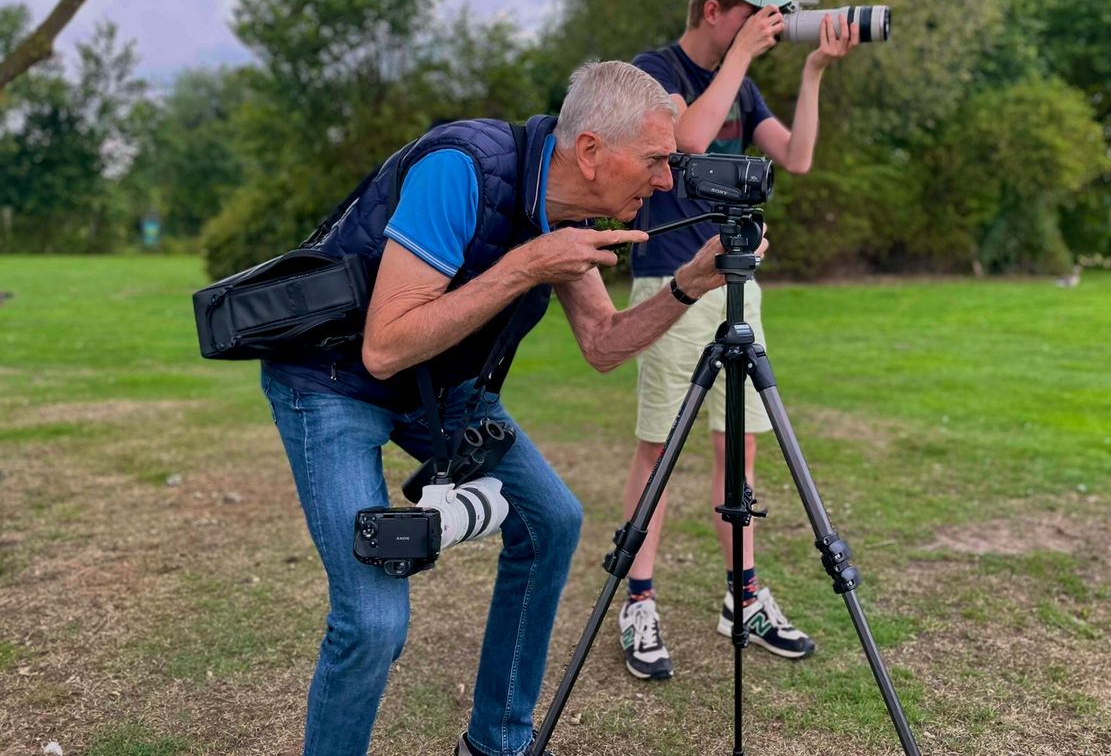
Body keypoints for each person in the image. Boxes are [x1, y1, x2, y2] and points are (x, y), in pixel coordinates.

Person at [260, 61, 747, 756]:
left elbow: (605, 344)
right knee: (372, 622)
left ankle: (497, 743)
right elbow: (384, 346)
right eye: (656, 161)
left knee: (553, 521)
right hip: (333, 380)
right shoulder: (461, 169)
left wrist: (689, 284)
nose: (667, 180)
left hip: (440, 388)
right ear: (590, 152)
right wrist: (528, 264)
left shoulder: (566, 212)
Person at [617, 0, 856, 680]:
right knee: (659, 446)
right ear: (714, 9)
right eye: (753, 15)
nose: (764, 28)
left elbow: (800, 156)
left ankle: (742, 597)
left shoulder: (745, 85)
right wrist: (741, 60)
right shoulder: (651, 72)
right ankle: (639, 598)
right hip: (669, 280)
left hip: (735, 279)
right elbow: (687, 138)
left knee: (740, 450)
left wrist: (811, 71)